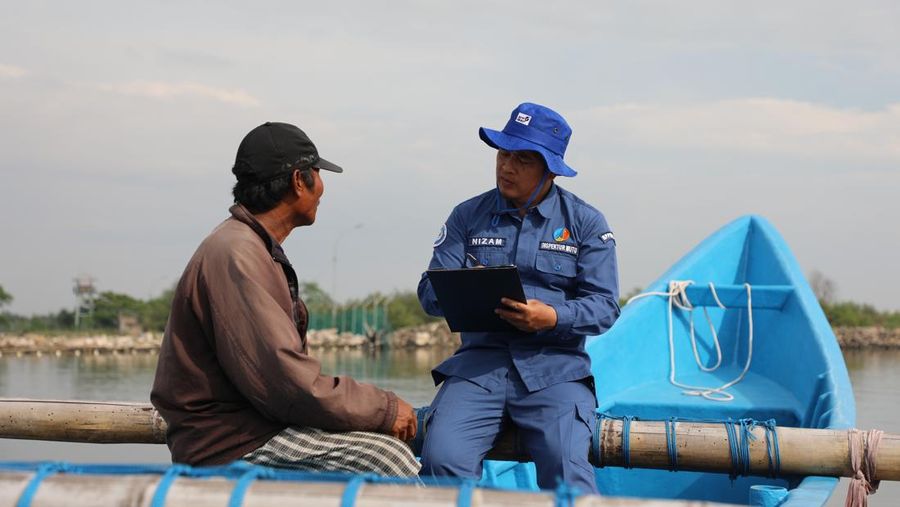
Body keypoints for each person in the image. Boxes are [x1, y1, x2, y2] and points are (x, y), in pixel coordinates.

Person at [151, 122, 419, 476]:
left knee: (388, 442)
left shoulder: (250, 245)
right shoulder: (238, 253)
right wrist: (384, 408)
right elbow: (287, 384)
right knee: (387, 459)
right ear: (298, 181)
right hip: (229, 441)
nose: (322, 188)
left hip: (255, 426)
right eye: (317, 174)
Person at [417, 103, 620, 493]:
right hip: (478, 369)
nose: (506, 167)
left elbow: (605, 306)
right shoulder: (466, 216)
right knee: (441, 458)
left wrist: (552, 317)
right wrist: (464, 289)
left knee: (567, 470)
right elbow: (428, 292)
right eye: (503, 154)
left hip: (555, 370)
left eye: (523, 159)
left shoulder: (585, 223)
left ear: (550, 169)